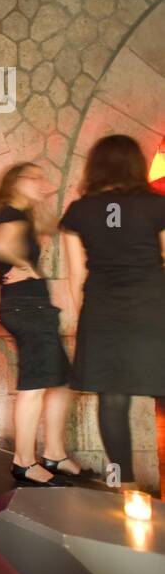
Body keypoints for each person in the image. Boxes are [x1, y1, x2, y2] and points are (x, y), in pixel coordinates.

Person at [60, 135, 165, 492]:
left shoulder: (79, 211)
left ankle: (125, 486)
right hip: (153, 307)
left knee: (112, 398)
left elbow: (76, 276)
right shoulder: (157, 205)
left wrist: (85, 319)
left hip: (103, 311)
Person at [0, 162, 75, 486]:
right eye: (33, 178)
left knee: (61, 379)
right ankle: (23, 461)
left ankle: (55, 453)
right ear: (14, 182)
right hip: (26, 307)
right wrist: (28, 267)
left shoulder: (20, 214)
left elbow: (52, 227)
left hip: (33, 306)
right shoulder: (9, 213)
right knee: (35, 384)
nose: (41, 182)